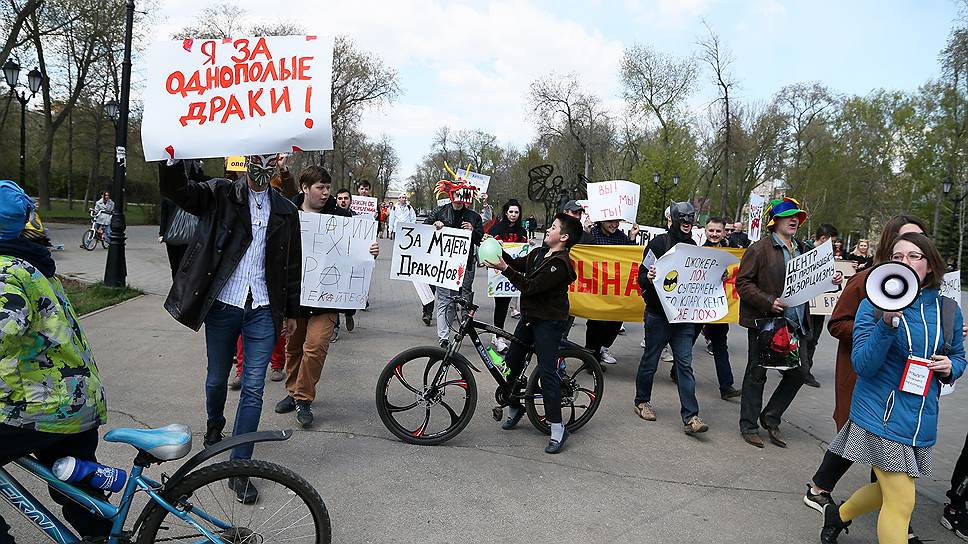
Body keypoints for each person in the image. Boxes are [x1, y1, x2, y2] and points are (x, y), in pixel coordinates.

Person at [159, 154, 301, 502]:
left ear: (278, 163)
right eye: (256, 159)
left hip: (263, 309)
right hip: (224, 305)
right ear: (245, 159)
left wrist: (292, 311)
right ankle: (214, 424)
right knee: (216, 378)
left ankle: (239, 468)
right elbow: (179, 192)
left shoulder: (285, 210)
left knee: (253, 387)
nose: (261, 168)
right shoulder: (220, 193)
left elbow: (292, 263)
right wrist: (170, 159)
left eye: (269, 161)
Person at [820, 232, 965, 544]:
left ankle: (838, 515)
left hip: (920, 416)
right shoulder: (872, 307)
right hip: (879, 414)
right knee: (901, 501)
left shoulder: (948, 310)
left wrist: (951, 367)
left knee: (886, 489)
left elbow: (958, 357)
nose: (905, 262)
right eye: (897, 257)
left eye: (914, 256)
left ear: (930, 264)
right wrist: (886, 324)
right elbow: (863, 365)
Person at [804, 215, 930, 542]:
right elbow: (837, 324)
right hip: (865, 379)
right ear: (891, 246)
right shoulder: (866, 282)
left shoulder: (931, 296)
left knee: (867, 448)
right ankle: (895, 515)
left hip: (904, 393)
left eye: (918, 245)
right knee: (865, 443)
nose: (911, 252)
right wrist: (878, 331)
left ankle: (850, 508)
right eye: (905, 244)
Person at [0, 179, 111, 542]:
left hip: (40, 405)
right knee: (76, 490)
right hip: (77, 399)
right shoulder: (35, 261)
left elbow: (5, 332)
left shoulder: (6, 270)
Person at [274, 168, 379, 428]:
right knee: (294, 348)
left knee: (316, 347)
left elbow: (358, 246)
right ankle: (292, 391)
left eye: (328, 188)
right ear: (305, 188)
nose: (325, 193)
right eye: (320, 187)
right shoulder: (290, 214)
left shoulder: (342, 216)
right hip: (296, 295)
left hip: (327, 297)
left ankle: (304, 398)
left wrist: (370, 250)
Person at [736, 197, 841, 449]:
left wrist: (832, 280)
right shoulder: (759, 249)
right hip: (767, 322)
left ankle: (770, 416)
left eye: (798, 217)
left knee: (800, 373)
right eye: (789, 216)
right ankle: (749, 426)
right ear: (775, 221)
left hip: (797, 323)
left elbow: (814, 280)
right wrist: (768, 300)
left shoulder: (803, 249)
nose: (795, 220)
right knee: (756, 374)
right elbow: (743, 283)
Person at [483, 213, 582, 454]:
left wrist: (504, 269)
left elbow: (531, 287)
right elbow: (518, 265)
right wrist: (496, 249)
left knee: (547, 373)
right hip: (529, 318)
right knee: (511, 364)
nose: (548, 229)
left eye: (554, 227)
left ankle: (558, 428)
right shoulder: (539, 253)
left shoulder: (561, 264)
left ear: (564, 237)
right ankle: (516, 406)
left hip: (549, 321)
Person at [633, 201, 710, 435]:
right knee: (651, 360)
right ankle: (641, 401)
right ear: (674, 219)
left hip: (683, 317)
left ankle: (691, 417)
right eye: (683, 218)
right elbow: (641, 276)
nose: (687, 223)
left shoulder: (693, 246)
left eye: (691, 218)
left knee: (684, 365)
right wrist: (650, 275)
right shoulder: (658, 243)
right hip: (658, 315)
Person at [425, 185, 484, 348]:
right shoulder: (440, 211)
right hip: (443, 263)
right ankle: (443, 338)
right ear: (450, 194)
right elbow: (423, 228)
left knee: (459, 300)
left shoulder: (474, 216)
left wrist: (472, 230)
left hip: (464, 264)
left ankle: (457, 329)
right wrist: (434, 225)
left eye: (461, 194)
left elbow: (480, 239)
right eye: (455, 194)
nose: (458, 197)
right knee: (444, 299)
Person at [693, 217, 741, 400]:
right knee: (688, 341)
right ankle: (677, 372)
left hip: (718, 307)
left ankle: (726, 386)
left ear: (724, 232)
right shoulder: (697, 251)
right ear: (705, 231)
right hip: (697, 305)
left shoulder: (732, 253)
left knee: (720, 344)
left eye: (718, 231)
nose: (714, 234)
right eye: (711, 230)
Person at [584, 218, 639, 365]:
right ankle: (591, 359)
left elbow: (631, 258)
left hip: (615, 289)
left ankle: (602, 348)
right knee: (595, 323)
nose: (614, 225)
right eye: (610, 222)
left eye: (617, 222)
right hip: (596, 289)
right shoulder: (592, 234)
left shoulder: (621, 237)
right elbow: (582, 253)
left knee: (615, 320)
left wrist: (632, 238)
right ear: (601, 221)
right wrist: (586, 233)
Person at [487, 199, 529, 351]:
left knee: (520, 304)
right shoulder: (496, 229)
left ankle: (501, 335)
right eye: (511, 212)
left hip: (516, 273)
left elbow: (523, 251)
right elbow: (488, 247)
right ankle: (498, 336)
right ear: (506, 212)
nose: (513, 215)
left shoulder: (523, 232)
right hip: (498, 272)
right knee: (501, 305)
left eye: (516, 212)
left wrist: (528, 246)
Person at [803, 223, 840, 389]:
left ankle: (803, 367)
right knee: (807, 337)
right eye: (832, 241)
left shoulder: (828, 255)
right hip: (806, 304)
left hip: (818, 305)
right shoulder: (805, 251)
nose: (835, 245)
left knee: (813, 338)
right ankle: (803, 371)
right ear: (824, 238)